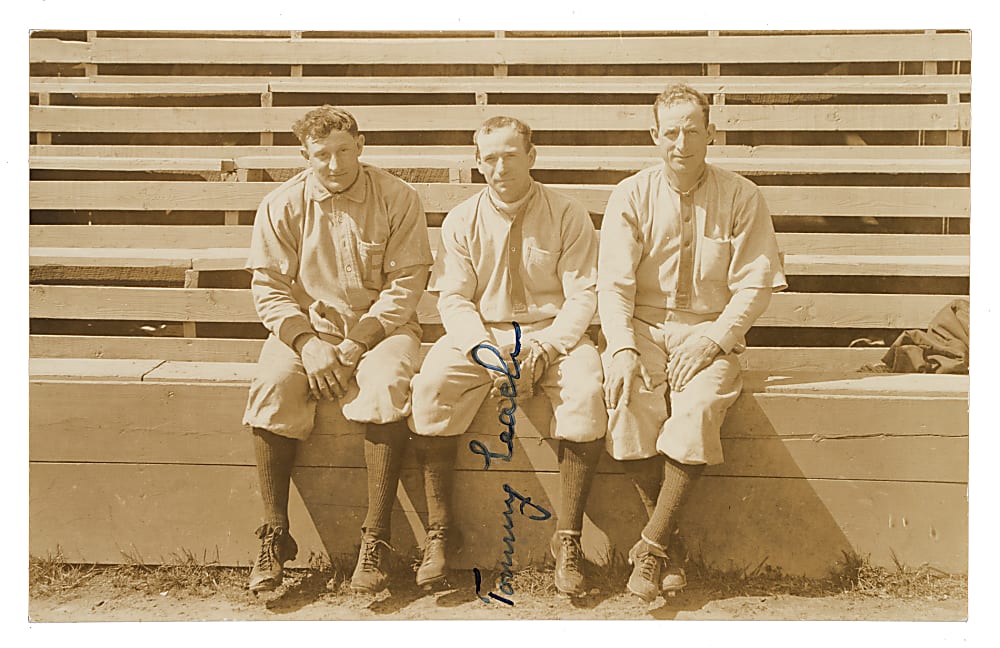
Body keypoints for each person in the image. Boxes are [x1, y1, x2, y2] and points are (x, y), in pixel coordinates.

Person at [598, 83, 787, 602]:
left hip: (708, 329)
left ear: (711, 133)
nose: (681, 142)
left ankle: (651, 545)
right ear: (654, 134)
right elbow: (614, 284)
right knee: (627, 400)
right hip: (642, 327)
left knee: (698, 408)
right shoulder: (630, 194)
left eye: (693, 131)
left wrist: (716, 340)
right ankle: (668, 545)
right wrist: (621, 348)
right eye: (671, 132)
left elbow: (755, 283)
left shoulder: (743, 195)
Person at [408, 116, 608, 598]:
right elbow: (453, 299)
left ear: (531, 157)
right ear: (477, 163)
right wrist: (485, 350)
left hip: (551, 331)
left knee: (586, 392)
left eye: (510, 156)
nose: (500, 167)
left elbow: (583, 295)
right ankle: (439, 531)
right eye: (490, 158)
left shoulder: (566, 213)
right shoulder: (462, 219)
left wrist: (546, 346)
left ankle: (569, 538)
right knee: (430, 387)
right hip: (484, 332)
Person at [242, 105, 433, 595]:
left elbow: (407, 281)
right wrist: (306, 344)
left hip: (382, 331)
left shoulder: (397, 196)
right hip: (309, 333)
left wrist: (356, 343)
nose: (334, 164)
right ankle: (275, 533)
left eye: (343, 150)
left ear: (360, 144)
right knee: (272, 385)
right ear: (305, 155)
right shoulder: (281, 204)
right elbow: (268, 287)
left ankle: (376, 537)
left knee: (388, 382)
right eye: (321, 155)